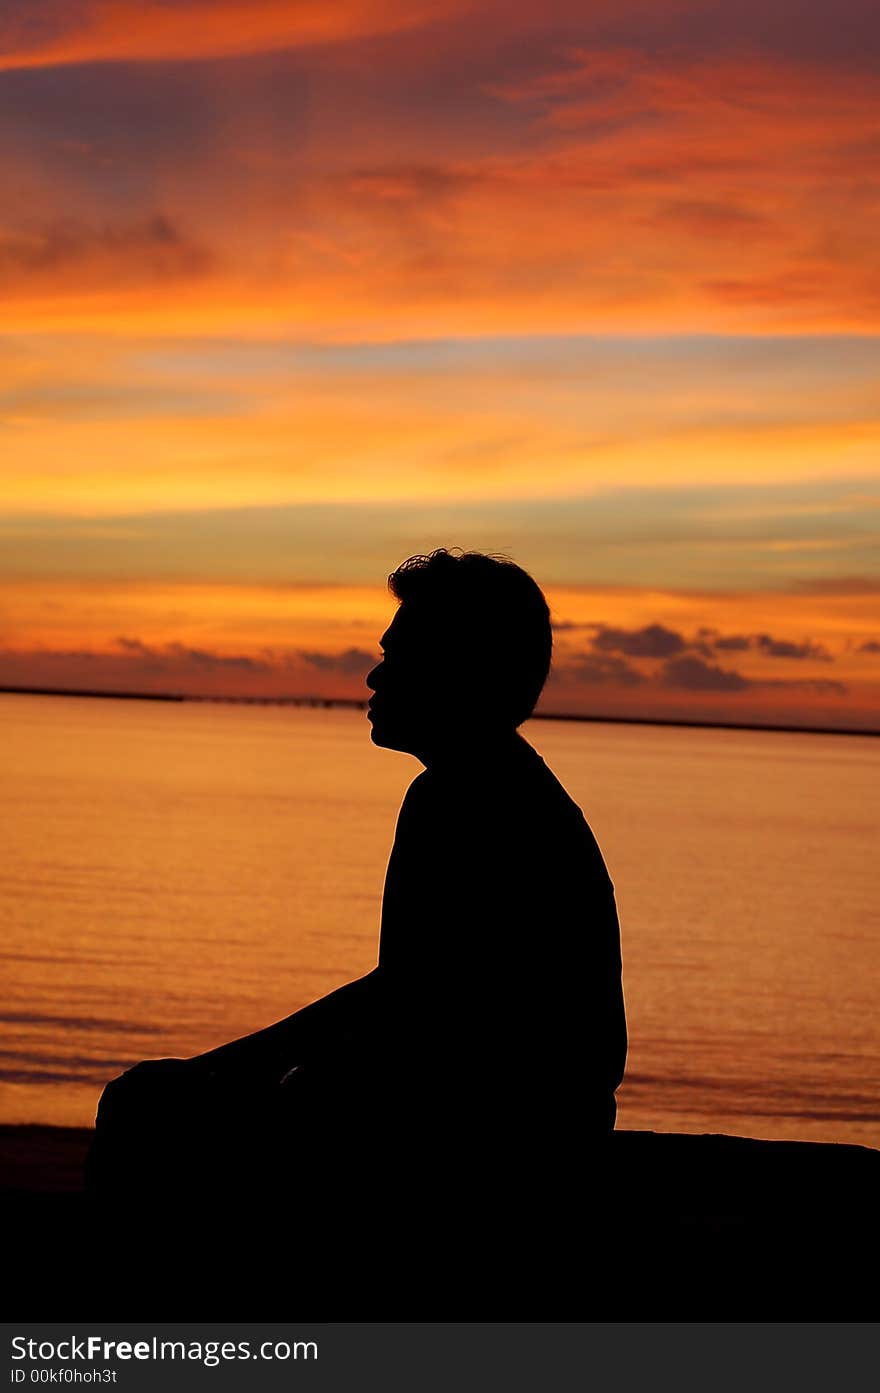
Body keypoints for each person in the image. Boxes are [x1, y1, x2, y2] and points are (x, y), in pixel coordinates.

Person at [88, 549, 626, 1217]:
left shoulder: (468, 799)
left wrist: (216, 1070)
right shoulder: (490, 789)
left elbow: (410, 1003)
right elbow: (411, 995)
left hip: (499, 1146)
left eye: (398, 656)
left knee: (146, 1112)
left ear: (457, 670)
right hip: (515, 1125)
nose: (374, 675)